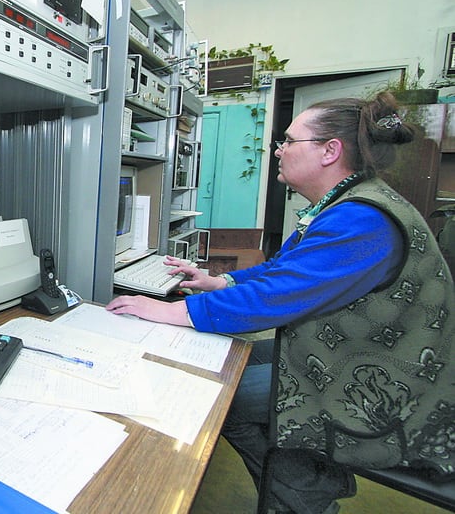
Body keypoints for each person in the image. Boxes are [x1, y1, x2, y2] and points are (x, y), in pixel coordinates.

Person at [106, 92, 454, 514]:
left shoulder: (361, 219)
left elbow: (275, 296)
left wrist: (169, 310)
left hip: (385, 385)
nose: (278, 150)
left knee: (221, 400)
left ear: (330, 151)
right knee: (231, 357)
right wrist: (220, 281)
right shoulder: (343, 203)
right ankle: (297, 487)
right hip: (352, 353)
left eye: (289, 141)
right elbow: (285, 270)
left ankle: (301, 499)